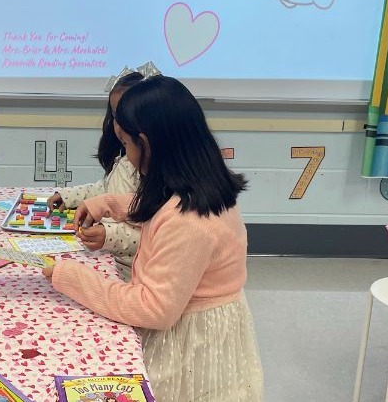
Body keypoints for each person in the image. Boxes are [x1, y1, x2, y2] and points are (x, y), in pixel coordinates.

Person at [44, 76, 264, 401]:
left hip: (190, 343)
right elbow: (157, 210)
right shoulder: (197, 185)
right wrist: (107, 203)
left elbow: (154, 309)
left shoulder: (189, 221)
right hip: (203, 327)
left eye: (127, 144)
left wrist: (71, 277)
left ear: (146, 143)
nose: (127, 154)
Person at [48, 70, 143, 280]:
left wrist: (110, 235)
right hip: (114, 263)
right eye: (117, 117)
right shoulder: (127, 160)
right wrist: (70, 196)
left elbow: (156, 233)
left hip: (135, 276)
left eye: (127, 118)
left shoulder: (155, 174)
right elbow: (104, 190)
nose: (119, 127)